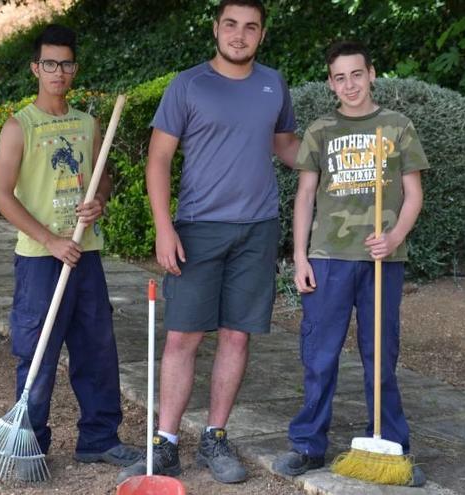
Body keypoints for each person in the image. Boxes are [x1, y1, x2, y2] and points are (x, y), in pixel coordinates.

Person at [117, 0, 300, 485]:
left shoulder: (273, 84)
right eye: (231, 25)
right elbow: (158, 160)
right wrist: (163, 226)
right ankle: (167, 443)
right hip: (198, 228)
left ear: (261, 34)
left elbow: (286, 146)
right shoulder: (189, 85)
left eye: (251, 28)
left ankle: (215, 437)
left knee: (237, 334)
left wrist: (337, 152)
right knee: (184, 336)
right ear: (217, 29)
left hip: (258, 228)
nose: (240, 35)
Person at [270, 40, 428, 487]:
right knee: (319, 357)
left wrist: (395, 236)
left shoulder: (397, 126)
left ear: (372, 74)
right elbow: (304, 196)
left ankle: (392, 445)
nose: (349, 84)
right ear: (330, 82)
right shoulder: (322, 129)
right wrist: (299, 256)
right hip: (328, 259)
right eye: (339, 77)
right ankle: (307, 445)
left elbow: (414, 194)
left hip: (382, 259)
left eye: (356, 74)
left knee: (381, 356)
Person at [0, 24, 139, 468]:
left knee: (96, 346)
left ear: (74, 70)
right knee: (37, 352)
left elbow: (102, 178)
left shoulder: (88, 123)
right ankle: (29, 445)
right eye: (50, 63)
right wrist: (50, 240)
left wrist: (98, 201)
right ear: (37, 68)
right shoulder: (20, 126)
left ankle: (99, 438)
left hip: (85, 252)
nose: (58, 72)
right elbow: (0, 195)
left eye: (66, 64)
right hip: (40, 259)